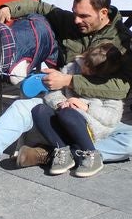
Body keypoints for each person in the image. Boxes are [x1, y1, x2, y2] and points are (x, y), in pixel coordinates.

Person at [0, 0, 132, 182]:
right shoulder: (71, 22)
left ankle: (57, 153)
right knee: (21, 107)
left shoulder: (123, 42)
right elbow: (42, 8)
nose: (77, 20)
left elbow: (121, 88)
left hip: (98, 116)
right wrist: (10, 8)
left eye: (84, 16)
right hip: (60, 106)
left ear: (103, 12)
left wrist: (70, 81)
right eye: (75, 13)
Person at [31, 42, 126, 176]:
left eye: (91, 71)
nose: (85, 70)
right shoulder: (72, 68)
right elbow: (53, 91)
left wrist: (86, 107)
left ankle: (91, 154)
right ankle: (63, 151)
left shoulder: (110, 84)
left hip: (91, 125)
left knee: (68, 114)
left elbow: (112, 118)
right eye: (85, 65)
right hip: (64, 113)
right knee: (39, 110)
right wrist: (61, 103)